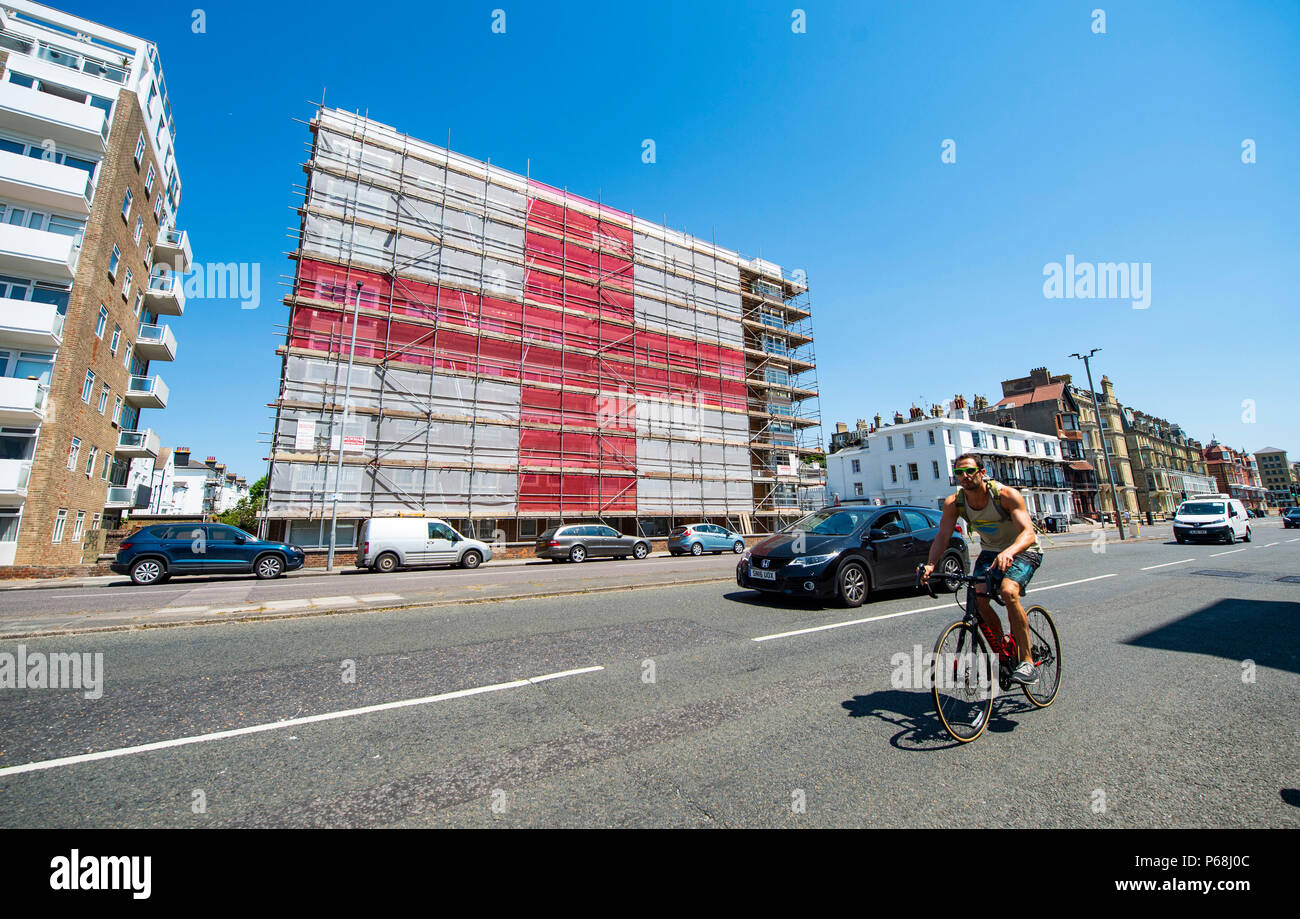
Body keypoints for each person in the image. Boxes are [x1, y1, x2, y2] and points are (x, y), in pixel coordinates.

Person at [919, 453, 1044, 685]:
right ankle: (1003, 652)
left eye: (969, 471)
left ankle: (1027, 662)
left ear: (982, 473)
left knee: (1009, 592)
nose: (964, 476)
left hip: (1024, 549)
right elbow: (943, 536)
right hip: (991, 552)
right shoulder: (954, 502)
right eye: (958, 472)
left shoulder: (1005, 495)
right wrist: (930, 564)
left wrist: (1010, 552)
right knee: (978, 598)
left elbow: (1028, 533)